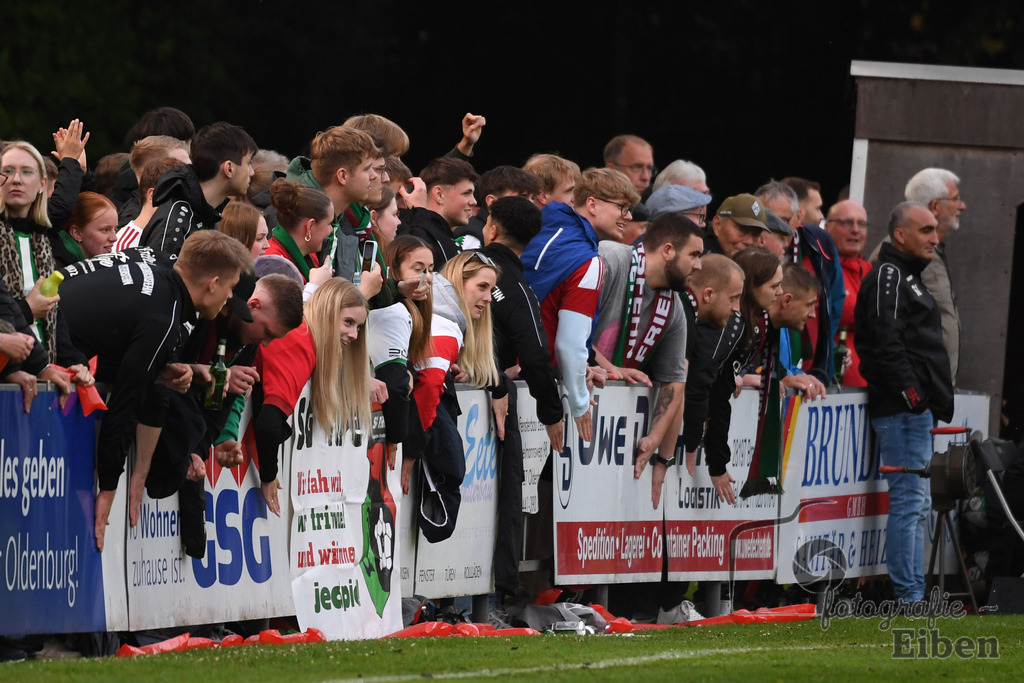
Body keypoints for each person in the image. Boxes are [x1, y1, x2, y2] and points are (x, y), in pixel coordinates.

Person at [58, 231, 253, 551]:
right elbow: (125, 405)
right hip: (38, 339)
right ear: (213, 283)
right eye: (230, 288)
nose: (230, 298)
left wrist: (160, 372)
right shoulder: (163, 315)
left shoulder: (160, 272)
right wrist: (108, 488)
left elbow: (114, 342)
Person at [855, 201, 953, 603]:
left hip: (912, 410)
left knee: (917, 502)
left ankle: (912, 591)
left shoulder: (907, 275)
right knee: (910, 502)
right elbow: (886, 342)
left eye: (935, 230)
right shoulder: (889, 275)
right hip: (902, 411)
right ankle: (909, 594)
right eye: (926, 230)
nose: (935, 238)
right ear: (900, 235)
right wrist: (914, 398)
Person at [479, 196, 563, 600]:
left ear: (492, 228)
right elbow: (535, 352)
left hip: (461, 388)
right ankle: (500, 595)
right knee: (505, 493)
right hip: (488, 398)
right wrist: (552, 411)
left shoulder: (462, 265)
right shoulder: (514, 284)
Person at [592, 212, 704, 507]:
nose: (699, 265)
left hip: (605, 434)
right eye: (694, 255)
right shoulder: (610, 258)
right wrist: (610, 368)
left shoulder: (674, 306)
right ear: (668, 250)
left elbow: (675, 380)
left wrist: (655, 439)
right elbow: (563, 328)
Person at [521, 168, 640, 442]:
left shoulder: (542, 223)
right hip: (530, 384)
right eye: (622, 207)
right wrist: (579, 403)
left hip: (502, 369)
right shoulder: (587, 260)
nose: (629, 217)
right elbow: (570, 345)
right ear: (592, 204)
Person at [405, 251, 501, 542]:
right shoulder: (445, 325)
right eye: (481, 287)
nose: (488, 298)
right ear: (459, 282)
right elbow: (430, 382)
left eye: (491, 289)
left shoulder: (441, 315)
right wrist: (411, 452)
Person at [254, 278, 372, 516]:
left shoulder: (304, 335)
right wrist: (269, 476)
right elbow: (268, 424)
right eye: (348, 322)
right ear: (326, 313)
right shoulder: (300, 342)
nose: (354, 335)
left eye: (359, 327)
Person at [0, 140, 91, 405]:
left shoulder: (42, 241)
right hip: (12, 376)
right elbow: (6, 309)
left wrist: (75, 362)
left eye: (26, 172)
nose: (16, 180)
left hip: (41, 378)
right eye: (7, 171)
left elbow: (54, 316)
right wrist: (29, 309)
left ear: (42, 184)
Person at [701, 248, 783, 504]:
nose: (780, 292)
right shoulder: (734, 326)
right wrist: (717, 463)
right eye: (774, 286)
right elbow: (716, 393)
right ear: (751, 287)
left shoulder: (758, 322)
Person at [869, 168, 965, 383]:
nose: (962, 206)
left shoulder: (928, 252)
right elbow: (886, 332)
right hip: (914, 391)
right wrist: (914, 390)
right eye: (956, 199)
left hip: (931, 389)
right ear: (935, 206)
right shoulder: (901, 253)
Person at [762, 179, 844, 386]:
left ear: (798, 217)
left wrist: (824, 361)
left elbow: (833, 306)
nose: (774, 227)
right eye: (765, 220)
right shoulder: (748, 254)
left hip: (805, 372)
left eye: (782, 220)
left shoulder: (819, 243)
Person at [366, 235, 434, 475]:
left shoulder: (414, 309)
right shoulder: (395, 311)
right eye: (418, 269)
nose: (427, 277)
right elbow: (396, 383)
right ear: (394, 270)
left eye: (430, 269)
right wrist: (398, 440)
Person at [140, 122, 257, 258]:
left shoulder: (206, 212)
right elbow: (159, 270)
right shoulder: (176, 221)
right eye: (248, 163)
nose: (252, 172)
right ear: (229, 168)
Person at [284, 125, 378, 280]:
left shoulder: (342, 218)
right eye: (367, 169)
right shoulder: (292, 216)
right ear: (343, 176)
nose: (374, 176)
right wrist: (364, 292)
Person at [682, 255, 745, 478]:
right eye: (733, 298)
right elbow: (694, 383)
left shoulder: (694, 315)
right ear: (708, 294)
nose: (737, 308)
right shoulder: (684, 314)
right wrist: (692, 440)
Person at [399, 157, 478, 269]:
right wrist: (420, 211)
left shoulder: (443, 238)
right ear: (439, 194)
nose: (474, 201)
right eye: (466, 193)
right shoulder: (411, 237)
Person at [824, 199, 871, 387]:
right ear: (827, 227)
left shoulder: (873, 272)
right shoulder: (821, 269)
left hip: (871, 388)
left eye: (862, 224)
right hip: (833, 386)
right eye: (847, 223)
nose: (855, 230)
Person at [770, 264, 827, 400]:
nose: (813, 314)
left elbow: (782, 366)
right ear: (786, 301)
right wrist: (783, 377)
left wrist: (799, 375)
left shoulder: (779, 327)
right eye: (809, 305)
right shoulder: (754, 329)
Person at [265, 178, 335, 286]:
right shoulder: (274, 264)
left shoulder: (309, 254)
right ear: (310, 226)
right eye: (329, 223)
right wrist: (317, 285)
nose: (331, 230)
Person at [453, 165, 540, 250]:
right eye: (522, 197)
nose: (531, 204)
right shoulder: (472, 238)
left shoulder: (521, 235)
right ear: (492, 202)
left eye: (533, 198)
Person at [114, 157, 188, 252]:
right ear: (153, 196)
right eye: (175, 198)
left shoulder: (179, 235)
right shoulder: (125, 246)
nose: (182, 206)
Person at [52, 192, 118, 268]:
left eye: (115, 229)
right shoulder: (57, 268)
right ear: (77, 233)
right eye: (105, 230)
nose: (114, 238)